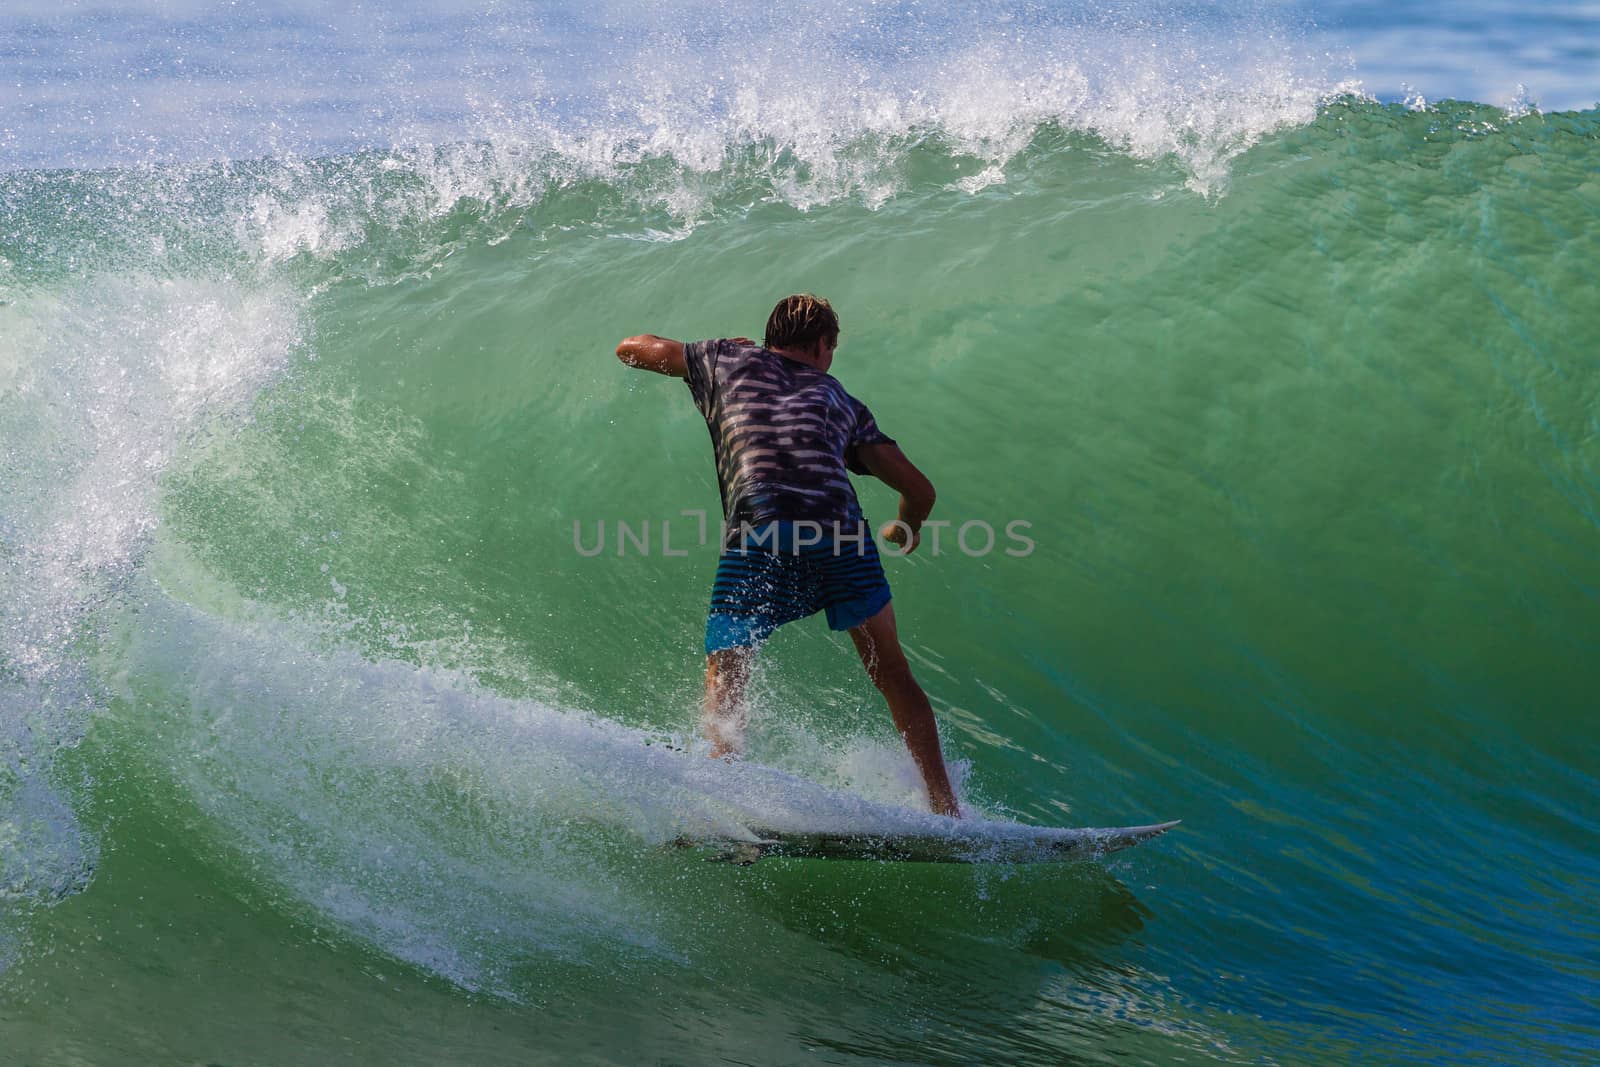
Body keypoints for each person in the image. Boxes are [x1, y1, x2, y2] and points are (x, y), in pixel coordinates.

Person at [614, 295, 961, 817]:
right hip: (839, 531)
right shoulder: (841, 401)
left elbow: (630, 349)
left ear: (770, 336)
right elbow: (920, 489)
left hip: (762, 524)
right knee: (891, 672)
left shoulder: (720, 360)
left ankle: (724, 788)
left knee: (729, 662)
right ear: (823, 346)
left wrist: (713, 347)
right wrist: (904, 529)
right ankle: (945, 808)